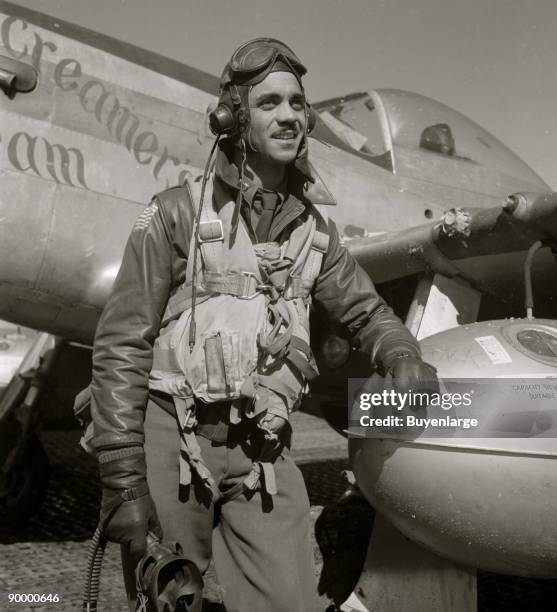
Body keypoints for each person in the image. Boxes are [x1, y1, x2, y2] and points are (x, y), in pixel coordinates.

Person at [90, 38, 438, 612]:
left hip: (261, 449)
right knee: (173, 603)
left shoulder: (316, 234)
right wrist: (121, 476)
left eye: (298, 104)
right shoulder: (175, 213)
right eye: (270, 102)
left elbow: (366, 311)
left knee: (289, 600)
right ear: (233, 118)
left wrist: (400, 350)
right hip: (173, 438)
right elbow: (121, 344)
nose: (289, 116)